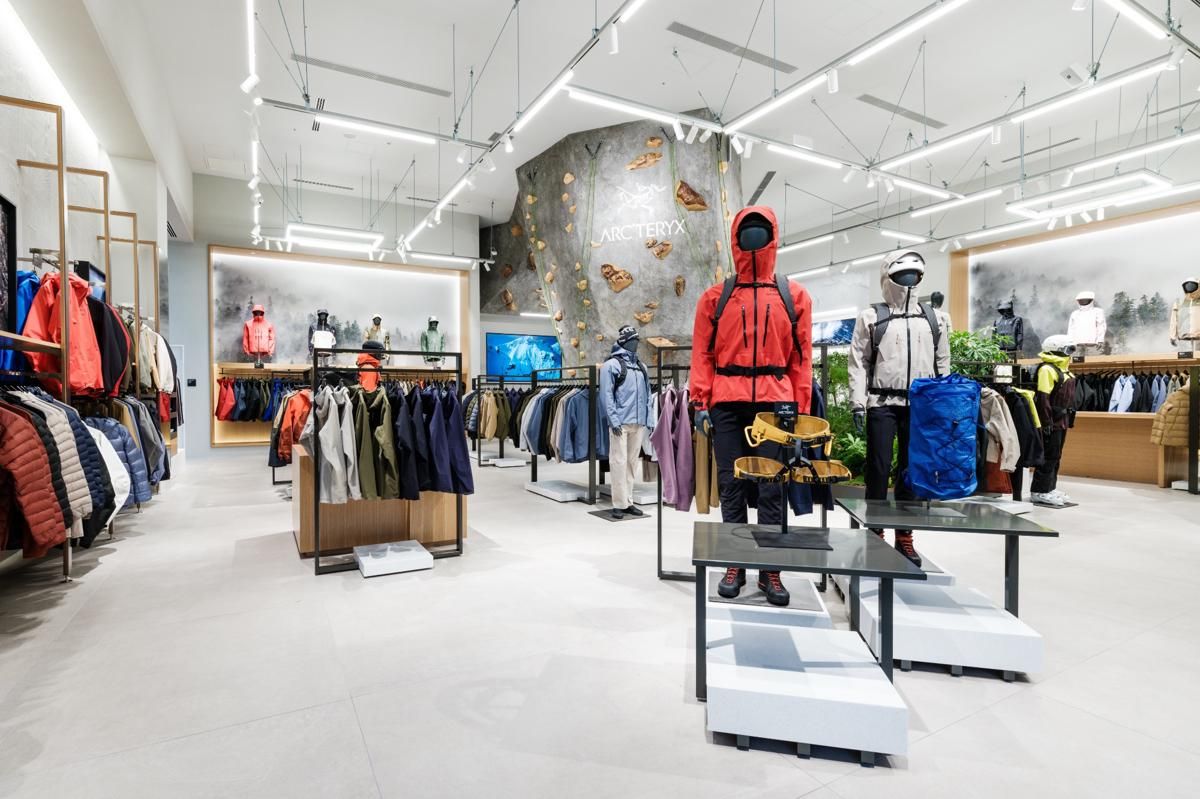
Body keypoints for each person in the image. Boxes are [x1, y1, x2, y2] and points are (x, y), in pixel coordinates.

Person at [690, 206, 812, 607]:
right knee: (731, 485)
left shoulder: (794, 296)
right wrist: (700, 400)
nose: (754, 237)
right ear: (735, 239)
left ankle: (770, 570)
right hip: (727, 402)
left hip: (775, 403)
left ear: (773, 237)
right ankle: (735, 561)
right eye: (747, 231)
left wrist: (800, 408)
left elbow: (801, 358)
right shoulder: (715, 298)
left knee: (772, 486)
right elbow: (702, 354)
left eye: (762, 231)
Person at [848, 251, 950, 567]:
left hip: (919, 404)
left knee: (911, 471)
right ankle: (874, 533)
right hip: (881, 403)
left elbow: (942, 361)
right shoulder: (871, 317)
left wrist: (941, 403)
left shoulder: (934, 318)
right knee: (878, 470)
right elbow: (859, 361)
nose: (908, 282)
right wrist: (857, 402)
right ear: (887, 278)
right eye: (901, 276)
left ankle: (905, 536)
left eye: (914, 276)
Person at [598, 324, 652, 520]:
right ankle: (618, 504)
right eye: (632, 341)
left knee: (631, 463)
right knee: (618, 462)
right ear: (624, 342)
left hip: (638, 423)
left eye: (637, 341)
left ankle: (628, 501)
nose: (635, 344)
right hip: (620, 424)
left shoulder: (641, 367)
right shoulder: (611, 366)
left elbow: (647, 395)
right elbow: (606, 395)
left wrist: (648, 419)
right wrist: (614, 421)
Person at [1030, 335, 1077, 507]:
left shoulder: (1064, 370)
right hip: (1052, 423)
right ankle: (1039, 491)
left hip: (1061, 421)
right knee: (1048, 457)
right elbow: (1043, 399)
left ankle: (1049, 488)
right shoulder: (1047, 370)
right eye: (1069, 349)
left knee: (1056, 457)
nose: (1071, 353)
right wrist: (1046, 423)